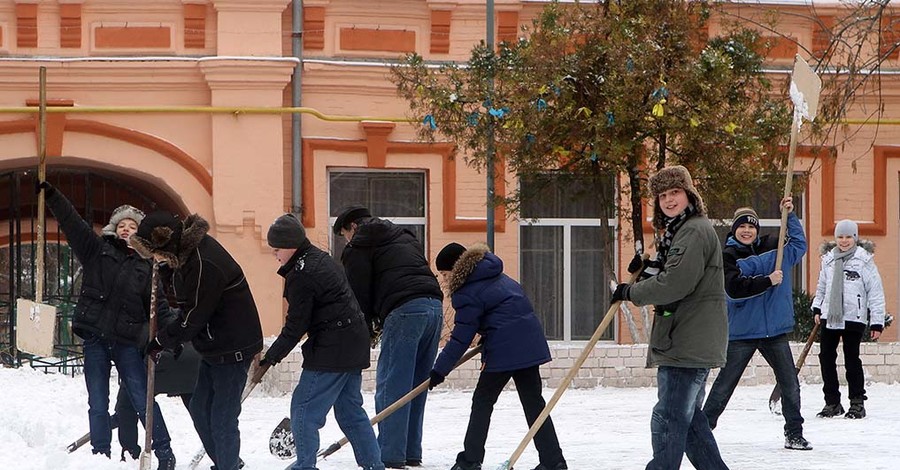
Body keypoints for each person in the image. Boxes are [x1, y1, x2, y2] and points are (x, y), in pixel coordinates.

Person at [38, 181, 177, 469]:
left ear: (141, 234)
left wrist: (176, 335)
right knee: (97, 400)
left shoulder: (147, 266)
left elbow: (160, 308)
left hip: (128, 342)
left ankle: (164, 450)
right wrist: (53, 195)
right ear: (115, 229)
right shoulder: (96, 250)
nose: (126, 229)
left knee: (142, 397)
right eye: (122, 225)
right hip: (96, 339)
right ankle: (100, 456)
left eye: (133, 226)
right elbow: (72, 222)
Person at [610, 165, 729, 470]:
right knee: (687, 423)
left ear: (689, 195)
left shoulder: (694, 231)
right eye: (662, 195)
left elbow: (676, 283)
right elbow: (670, 272)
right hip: (687, 338)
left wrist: (630, 293)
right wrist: (645, 269)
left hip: (687, 341)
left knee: (669, 419)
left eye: (675, 192)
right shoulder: (680, 231)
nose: (668, 199)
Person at [131, 211, 263, 470]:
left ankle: (227, 465)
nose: (154, 261)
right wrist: (173, 338)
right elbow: (186, 304)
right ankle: (226, 463)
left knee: (223, 419)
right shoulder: (185, 258)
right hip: (213, 346)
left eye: (154, 254)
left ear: (165, 244)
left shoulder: (204, 263)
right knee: (201, 410)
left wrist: (162, 340)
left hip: (233, 348)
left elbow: (193, 316)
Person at [259, 213, 384, 470]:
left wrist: (271, 357)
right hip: (353, 339)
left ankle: (305, 465)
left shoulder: (303, 273)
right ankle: (373, 465)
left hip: (334, 346)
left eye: (277, 250)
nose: (275, 255)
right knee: (350, 412)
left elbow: (296, 325)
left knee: (304, 409)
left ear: (290, 245)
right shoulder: (317, 259)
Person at [430, 242, 567, 470]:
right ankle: (554, 461)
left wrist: (439, 370)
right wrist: (488, 333)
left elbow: (460, 339)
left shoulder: (467, 291)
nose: (444, 280)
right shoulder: (498, 276)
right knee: (534, 404)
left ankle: (470, 460)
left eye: (445, 274)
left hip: (505, 349)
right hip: (529, 344)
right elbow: (508, 312)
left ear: (456, 268)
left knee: (482, 401)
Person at [334, 205, 444, 468]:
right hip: (434, 307)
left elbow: (359, 292)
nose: (345, 241)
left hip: (405, 311)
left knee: (392, 385)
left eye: (343, 235)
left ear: (352, 228)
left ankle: (390, 455)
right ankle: (410, 451)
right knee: (417, 385)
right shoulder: (403, 235)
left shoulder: (359, 245)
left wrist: (368, 326)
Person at [702, 200, 812, 450]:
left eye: (751, 227)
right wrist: (767, 281)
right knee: (724, 385)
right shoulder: (727, 256)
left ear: (757, 229)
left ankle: (794, 433)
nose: (747, 231)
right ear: (734, 230)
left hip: (775, 330)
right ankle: (702, 430)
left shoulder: (774, 247)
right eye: (742, 227)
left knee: (789, 382)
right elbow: (734, 290)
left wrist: (791, 215)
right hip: (742, 331)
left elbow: (798, 245)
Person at [811, 219, 885, 419]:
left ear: (855, 238)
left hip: (854, 316)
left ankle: (857, 402)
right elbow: (822, 287)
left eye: (848, 237)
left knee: (852, 359)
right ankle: (832, 402)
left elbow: (876, 293)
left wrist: (877, 321)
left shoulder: (864, 261)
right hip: (830, 316)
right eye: (840, 237)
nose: (844, 241)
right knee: (826, 358)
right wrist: (817, 308)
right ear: (835, 238)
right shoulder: (828, 259)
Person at [113, 341, 200, 461]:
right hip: (191, 361)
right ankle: (221, 452)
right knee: (201, 413)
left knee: (126, 405)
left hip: (157, 361)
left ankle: (130, 453)